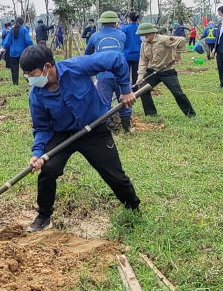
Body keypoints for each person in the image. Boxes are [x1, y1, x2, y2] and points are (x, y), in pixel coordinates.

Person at [20, 44, 140, 232]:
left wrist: (125, 89)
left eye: (33, 74)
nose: (30, 79)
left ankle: (134, 209)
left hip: (94, 129)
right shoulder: (36, 95)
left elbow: (116, 59)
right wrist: (38, 152)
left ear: (47, 67)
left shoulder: (77, 66)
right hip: (63, 134)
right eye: (27, 76)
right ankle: (44, 215)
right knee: (48, 170)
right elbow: (42, 127)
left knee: (115, 175)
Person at [135, 23, 197, 118]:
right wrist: (140, 76)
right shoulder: (144, 44)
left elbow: (182, 40)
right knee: (143, 90)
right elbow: (143, 60)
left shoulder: (163, 39)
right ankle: (151, 114)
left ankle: (191, 115)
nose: (141, 37)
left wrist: (178, 54)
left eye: (142, 35)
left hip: (167, 71)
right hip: (153, 71)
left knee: (178, 93)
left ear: (150, 33)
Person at [86, 11, 132, 133]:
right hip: (121, 74)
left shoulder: (95, 36)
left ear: (101, 23)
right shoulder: (122, 35)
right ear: (115, 23)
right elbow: (125, 50)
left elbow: (87, 54)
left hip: (103, 74)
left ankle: (105, 129)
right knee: (125, 99)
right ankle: (127, 128)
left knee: (103, 103)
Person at [3, 17, 33, 85]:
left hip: (13, 53)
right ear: (23, 23)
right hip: (23, 53)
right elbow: (28, 40)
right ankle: (29, 81)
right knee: (25, 67)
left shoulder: (12, 30)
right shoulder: (24, 30)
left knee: (14, 68)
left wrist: (3, 47)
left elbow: (7, 41)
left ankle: (15, 82)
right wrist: (32, 46)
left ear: (16, 22)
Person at [122, 12, 142, 86]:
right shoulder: (140, 28)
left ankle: (126, 89)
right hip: (138, 55)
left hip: (127, 55)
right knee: (135, 74)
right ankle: (135, 90)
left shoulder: (125, 29)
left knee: (125, 74)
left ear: (129, 19)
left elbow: (122, 41)